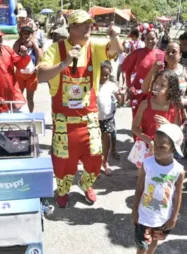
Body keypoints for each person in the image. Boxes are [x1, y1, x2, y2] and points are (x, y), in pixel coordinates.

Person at [38, 10, 122, 208]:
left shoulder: (95, 46)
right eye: (84, 24)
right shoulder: (56, 49)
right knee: (62, 161)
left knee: (95, 158)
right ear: (72, 27)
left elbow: (115, 50)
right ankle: (63, 189)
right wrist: (65, 63)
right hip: (63, 121)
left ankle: (86, 184)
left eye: (90, 24)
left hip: (89, 118)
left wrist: (114, 35)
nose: (88, 27)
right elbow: (41, 75)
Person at [132, 124, 185, 254]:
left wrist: (173, 217)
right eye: (155, 144)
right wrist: (134, 209)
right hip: (144, 214)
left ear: (173, 148)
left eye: (162, 147)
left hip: (163, 217)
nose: (156, 149)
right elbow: (139, 187)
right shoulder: (147, 163)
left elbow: (178, 195)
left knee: (155, 241)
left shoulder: (178, 170)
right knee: (142, 245)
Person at [131, 70, 182, 169]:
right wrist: (149, 141)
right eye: (156, 82)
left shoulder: (174, 107)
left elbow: (177, 131)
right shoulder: (145, 104)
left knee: (161, 177)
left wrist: (168, 125)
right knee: (144, 177)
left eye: (162, 85)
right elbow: (134, 128)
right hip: (145, 147)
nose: (157, 86)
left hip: (164, 150)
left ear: (170, 89)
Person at [122, 30, 164, 126]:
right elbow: (126, 69)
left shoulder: (161, 54)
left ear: (157, 39)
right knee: (137, 119)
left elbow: (164, 74)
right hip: (138, 90)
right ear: (144, 39)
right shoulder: (137, 53)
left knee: (152, 119)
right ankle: (137, 140)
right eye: (147, 39)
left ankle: (149, 140)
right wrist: (129, 86)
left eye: (152, 38)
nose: (150, 41)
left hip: (154, 91)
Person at [98, 61, 124, 175]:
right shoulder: (92, 83)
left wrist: (122, 95)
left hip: (107, 117)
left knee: (107, 138)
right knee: (93, 143)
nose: (104, 77)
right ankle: (95, 165)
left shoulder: (112, 85)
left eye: (106, 75)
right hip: (93, 118)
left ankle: (105, 162)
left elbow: (120, 101)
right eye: (101, 74)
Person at [13, 25, 41, 112]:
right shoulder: (17, 44)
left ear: (31, 35)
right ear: (21, 34)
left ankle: (31, 115)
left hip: (31, 75)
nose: (26, 36)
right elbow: (13, 57)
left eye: (28, 34)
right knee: (18, 97)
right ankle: (20, 115)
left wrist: (37, 66)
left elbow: (39, 57)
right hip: (20, 75)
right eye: (24, 34)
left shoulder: (34, 44)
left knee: (30, 99)